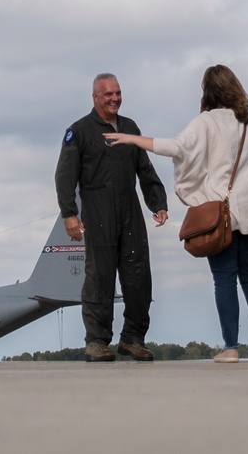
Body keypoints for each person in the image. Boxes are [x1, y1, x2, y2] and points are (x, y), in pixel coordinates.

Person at [105, 65, 248, 363]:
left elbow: (177, 148)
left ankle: (231, 348)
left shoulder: (207, 121)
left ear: (207, 90)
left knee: (224, 279)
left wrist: (132, 139)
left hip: (223, 214)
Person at [55, 73, 169, 362]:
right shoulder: (79, 131)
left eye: (118, 93)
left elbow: (144, 167)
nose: (115, 98)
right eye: (108, 94)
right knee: (100, 278)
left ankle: (133, 339)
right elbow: (64, 176)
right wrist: (69, 214)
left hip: (130, 210)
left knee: (138, 276)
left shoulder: (130, 127)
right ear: (95, 97)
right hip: (97, 209)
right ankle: (96, 341)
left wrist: (158, 202)